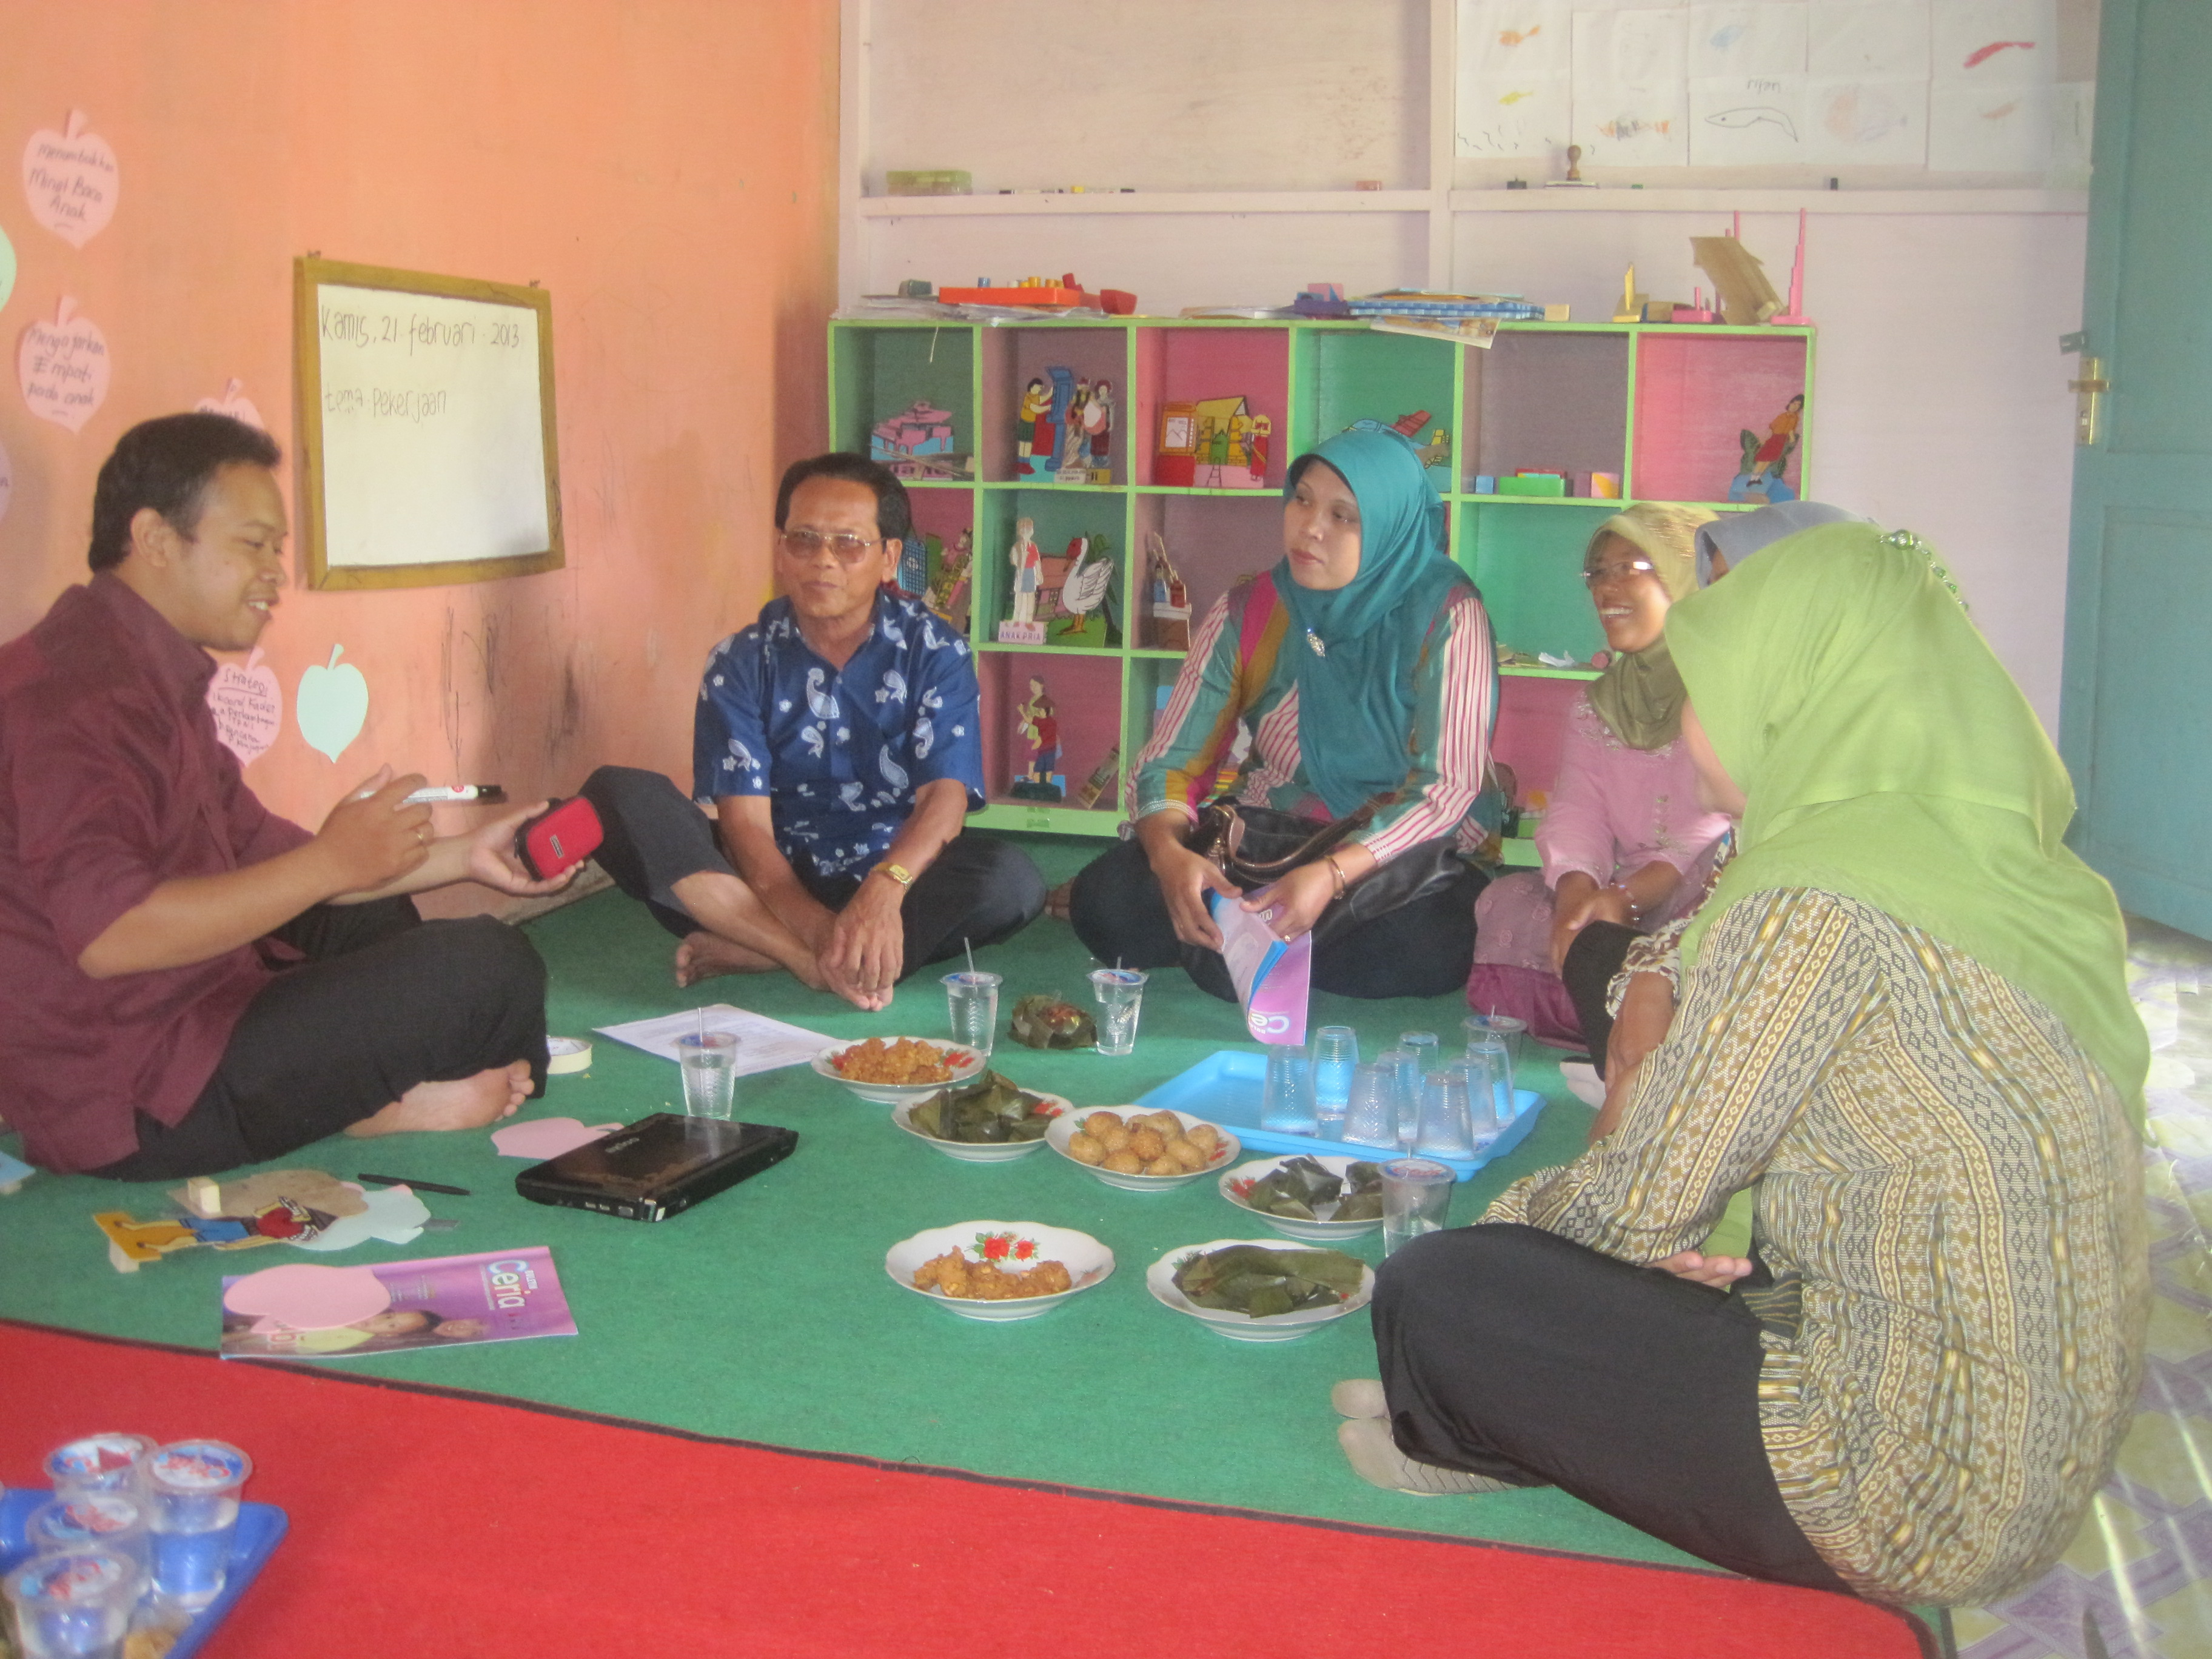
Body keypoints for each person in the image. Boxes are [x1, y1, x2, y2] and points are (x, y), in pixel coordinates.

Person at [1334, 524, 2150, 1607]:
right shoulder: (2014, 874)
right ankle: (1488, 1391)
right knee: (1676, 1257)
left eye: (1707, 688)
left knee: (1439, 1286)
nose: (1685, 719)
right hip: (2024, 1472)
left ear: (1791, 693)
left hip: (1893, 1500)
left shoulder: (1814, 899)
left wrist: (1472, 1283)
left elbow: (1638, 1199)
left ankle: (1458, 1418)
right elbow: (1688, 981)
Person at [0, 414, 567, 1181]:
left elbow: (282, 860)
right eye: (251, 544)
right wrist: (334, 864)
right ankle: (371, 1107)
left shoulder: (145, 670)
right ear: (157, 539)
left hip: (195, 1007)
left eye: (278, 548)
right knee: (486, 965)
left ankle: (366, 1098)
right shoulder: (74, 695)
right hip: (136, 1096)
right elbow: (112, 936)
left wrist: (468, 855)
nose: (274, 573)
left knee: (369, 912)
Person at [579, 454, 1044, 1012]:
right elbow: (747, 830)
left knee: (1011, 883)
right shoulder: (741, 662)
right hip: (768, 882)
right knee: (616, 797)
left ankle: (759, 950)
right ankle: (804, 958)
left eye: (848, 543)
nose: (823, 561)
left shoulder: (936, 652)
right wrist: (816, 935)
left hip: (892, 871)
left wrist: (884, 889)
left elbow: (944, 797)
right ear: (780, 550)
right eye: (803, 540)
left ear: (890, 557)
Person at [1068, 426, 1498, 1000]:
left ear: (1392, 526)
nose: (1311, 527)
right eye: (1302, 499)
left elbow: (1445, 790)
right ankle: (1265, 946)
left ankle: (1243, 950)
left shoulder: (1446, 612)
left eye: (1345, 516)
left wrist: (1332, 875)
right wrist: (1170, 858)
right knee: (1107, 902)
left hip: (1393, 853)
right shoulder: (1253, 610)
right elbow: (1171, 760)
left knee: (1439, 943)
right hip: (1275, 833)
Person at [1466, 503, 1732, 1053]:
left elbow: (1711, 826)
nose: (1608, 588)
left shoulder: (1726, 691)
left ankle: (1639, 1018)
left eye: (1633, 567)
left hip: (1690, 885)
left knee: (1717, 899)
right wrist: (1577, 897)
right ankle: (1612, 1004)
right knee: (1507, 900)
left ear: (1687, 578)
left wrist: (1626, 902)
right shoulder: (1597, 704)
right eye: (1598, 572)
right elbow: (1576, 813)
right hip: (1614, 885)